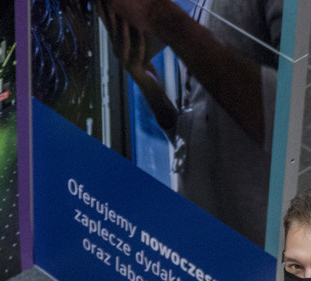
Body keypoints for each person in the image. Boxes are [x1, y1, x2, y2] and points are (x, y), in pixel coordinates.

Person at [94, 0, 281, 246]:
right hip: (205, 246)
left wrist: (160, 15)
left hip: (255, 256)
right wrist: (149, 84)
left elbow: (291, 126)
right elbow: (212, 135)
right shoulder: (203, 8)